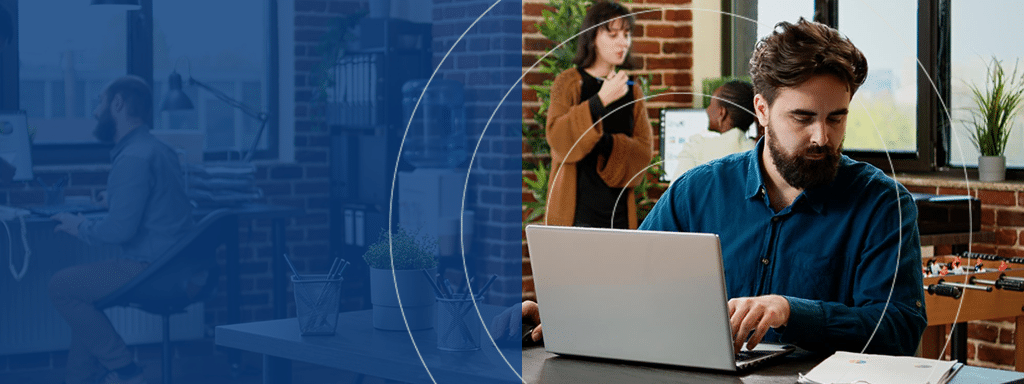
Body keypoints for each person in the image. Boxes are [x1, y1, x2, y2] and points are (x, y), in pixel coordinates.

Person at [512, 18, 927, 357]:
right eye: (802, 118)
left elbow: (898, 329)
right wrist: (564, 314)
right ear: (762, 111)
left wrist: (789, 311)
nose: (822, 136)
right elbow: (631, 289)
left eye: (836, 118)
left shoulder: (882, 205)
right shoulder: (697, 193)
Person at [49, 76, 194, 384]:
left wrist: (80, 225)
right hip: (178, 266)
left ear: (117, 104)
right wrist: (113, 201)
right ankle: (81, 377)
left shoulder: (132, 157)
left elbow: (119, 232)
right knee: (83, 299)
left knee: (62, 286)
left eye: (99, 103)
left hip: (150, 270)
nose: (95, 112)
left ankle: (126, 371)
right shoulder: (159, 149)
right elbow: (156, 203)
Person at [544, 0, 653, 229]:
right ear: (593, 37)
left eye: (626, 34)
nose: (623, 42)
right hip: (575, 216)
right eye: (613, 35)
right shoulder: (568, 82)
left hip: (619, 215)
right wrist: (600, 101)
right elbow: (558, 140)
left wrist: (606, 144)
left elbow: (643, 153)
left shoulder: (632, 90)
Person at [672, 80, 759, 176]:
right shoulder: (758, 151)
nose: (707, 110)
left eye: (711, 104)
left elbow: (676, 190)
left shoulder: (696, 148)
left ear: (722, 113)